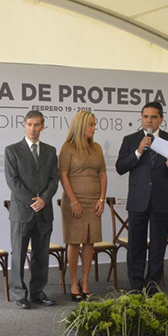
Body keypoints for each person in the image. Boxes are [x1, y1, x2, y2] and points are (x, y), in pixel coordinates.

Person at [116, 101, 168, 293]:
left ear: (161, 119)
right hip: (138, 200)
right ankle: (136, 285)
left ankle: (153, 284)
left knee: (158, 245)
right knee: (136, 244)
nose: (149, 120)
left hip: (161, 199)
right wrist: (138, 152)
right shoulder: (130, 139)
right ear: (141, 118)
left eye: (153, 117)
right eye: (145, 117)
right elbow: (120, 167)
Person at [4, 110, 59, 309]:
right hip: (22, 212)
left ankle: (37, 292)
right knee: (18, 253)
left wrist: (44, 199)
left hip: (44, 211)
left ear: (43, 126)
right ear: (24, 125)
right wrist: (32, 201)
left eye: (37, 125)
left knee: (41, 254)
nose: (33, 129)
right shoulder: (12, 150)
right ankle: (19, 294)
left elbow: (54, 180)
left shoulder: (50, 151)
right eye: (29, 124)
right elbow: (13, 181)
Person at [58, 111, 107, 300]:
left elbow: (102, 174)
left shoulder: (97, 148)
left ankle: (85, 281)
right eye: (91, 124)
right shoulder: (68, 147)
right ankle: (73, 281)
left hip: (94, 202)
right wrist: (74, 201)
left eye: (94, 124)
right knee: (73, 241)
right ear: (81, 126)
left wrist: (101, 199)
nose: (94, 128)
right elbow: (63, 175)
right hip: (74, 202)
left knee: (89, 241)